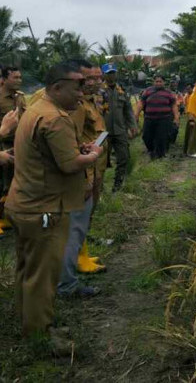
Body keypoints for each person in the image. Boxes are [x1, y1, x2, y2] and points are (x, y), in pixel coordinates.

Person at [6, 62, 102, 343]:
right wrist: (92, 155)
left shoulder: (36, 109)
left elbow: (51, 153)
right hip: (44, 208)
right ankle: (41, 335)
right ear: (57, 87)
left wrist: (77, 149)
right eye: (77, 87)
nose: (82, 94)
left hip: (24, 204)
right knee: (42, 278)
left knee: (28, 270)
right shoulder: (56, 118)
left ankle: (28, 323)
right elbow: (71, 164)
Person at [57, 60, 105, 296]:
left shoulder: (88, 101)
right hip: (80, 171)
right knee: (73, 227)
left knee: (80, 224)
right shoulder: (72, 107)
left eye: (98, 78)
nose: (94, 82)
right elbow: (72, 145)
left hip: (91, 166)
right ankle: (66, 282)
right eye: (89, 79)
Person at [101, 63, 138, 192]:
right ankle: (99, 188)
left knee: (123, 158)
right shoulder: (99, 91)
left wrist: (132, 125)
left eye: (113, 73)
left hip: (120, 130)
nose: (111, 75)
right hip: (102, 132)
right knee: (101, 162)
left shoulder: (121, 90)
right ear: (103, 75)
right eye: (109, 73)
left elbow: (128, 110)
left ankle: (117, 185)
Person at [0, 67, 26, 234]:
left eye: (20, 77)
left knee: (14, 181)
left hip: (19, 143)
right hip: (2, 143)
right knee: (2, 181)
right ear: (5, 78)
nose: (19, 80)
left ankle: (6, 216)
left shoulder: (21, 97)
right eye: (15, 77)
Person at [134, 75, 179, 159]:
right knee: (146, 136)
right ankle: (151, 150)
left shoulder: (168, 93)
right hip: (149, 119)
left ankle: (159, 156)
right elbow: (141, 103)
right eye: (156, 81)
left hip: (164, 119)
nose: (158, 83)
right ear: (153, 82)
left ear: (164, 82)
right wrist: (136, 115)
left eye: (160, 81)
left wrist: (176, 118)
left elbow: (174, 105)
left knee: (161, 138)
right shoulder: (147, 91)